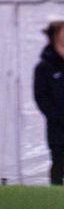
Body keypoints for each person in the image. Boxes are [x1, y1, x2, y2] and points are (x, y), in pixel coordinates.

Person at [34, 20, 64, 185]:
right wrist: (56, 116)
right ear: (55, 36)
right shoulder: (45, 67)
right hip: (58, 126)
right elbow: (41, 96)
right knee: (59, 161)